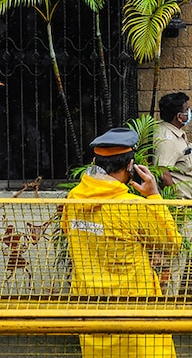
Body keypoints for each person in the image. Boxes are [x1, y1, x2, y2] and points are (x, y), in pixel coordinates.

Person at [62, 127, 182, 358]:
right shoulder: (131, 206)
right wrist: (154, 195)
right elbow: (172, 243)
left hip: (90, 305)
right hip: (135, 307)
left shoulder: (73, 199)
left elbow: (68, 231)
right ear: (130, 166)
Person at [154, 92, 192, 200]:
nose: (189, 113)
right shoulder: (166, 139)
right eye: (187, 110)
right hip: (180, 208)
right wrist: (176, 202)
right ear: (179, 117)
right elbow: (162, 172)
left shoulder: (175, 133)